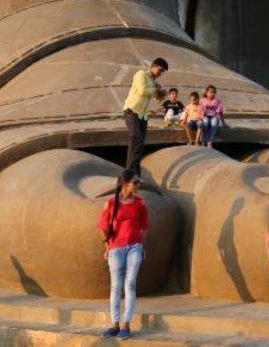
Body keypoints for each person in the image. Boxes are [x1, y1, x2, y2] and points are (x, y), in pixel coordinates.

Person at [97, 170, 149, 339]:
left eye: (138, 182)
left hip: (135, 247)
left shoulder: (140, 203)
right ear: (125, 184)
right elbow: (102, 226)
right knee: (116, 286)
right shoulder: (111, 203)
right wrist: (107, 246)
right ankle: (114, 324)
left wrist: (142, 245)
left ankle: (126, 324)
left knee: (131, 284)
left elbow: (144, 227)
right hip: (116, 248)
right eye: (135, 182)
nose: (138, 185)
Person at [122, 58, 168, 174]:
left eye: (162, 72)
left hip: (143, 115)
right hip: (132, 111)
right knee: (136, 136)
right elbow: (142, 90)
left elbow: (156, 99)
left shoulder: (153, 81)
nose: (160, 73)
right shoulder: (141, 74)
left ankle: (135, 171)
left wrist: (162, 94)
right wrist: (155, 89)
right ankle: (129, 171)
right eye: (160, 70)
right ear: (153, 66)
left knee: (140, 143)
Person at [200, 85, 225, 149]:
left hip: (214, 116)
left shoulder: (217, 101)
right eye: (211, 92)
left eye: (214, 92)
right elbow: (199, 111)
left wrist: (224, 123)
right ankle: (204, 140)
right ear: (206, 93)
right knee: (205, 122)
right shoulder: (202, 101)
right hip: (205, 116)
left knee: (213, 123)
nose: (212, 94)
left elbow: (220, 112)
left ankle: (210, 141)